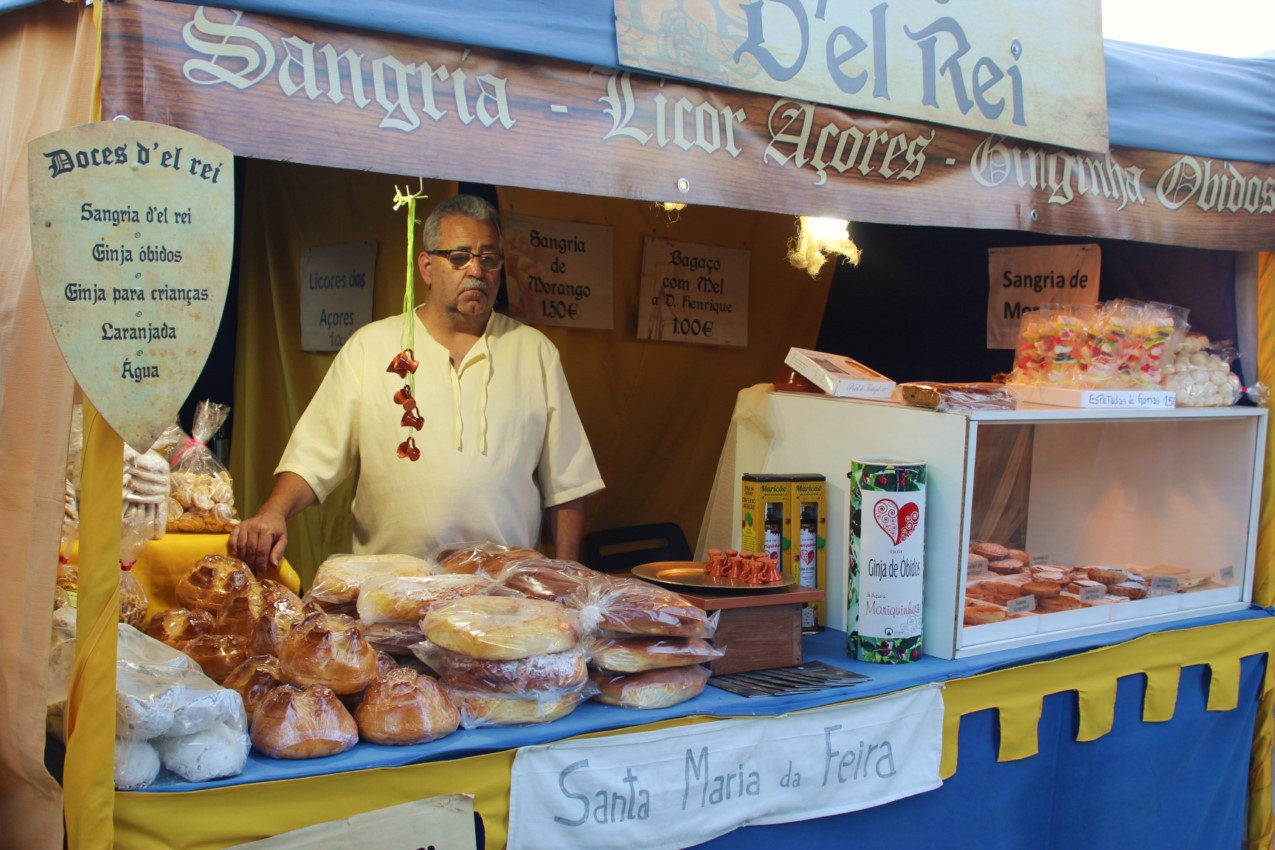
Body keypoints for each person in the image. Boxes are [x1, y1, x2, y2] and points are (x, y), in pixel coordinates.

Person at [230, 194, 604, 574]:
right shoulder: (371, 346)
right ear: (426, 267)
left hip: (501, 596)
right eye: (459, 258)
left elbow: (568, 484)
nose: (476, 270)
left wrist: (565, 579)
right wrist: (273, 511)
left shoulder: (534, 353)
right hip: (392, 592)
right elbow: (314, 454)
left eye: (489, 259)